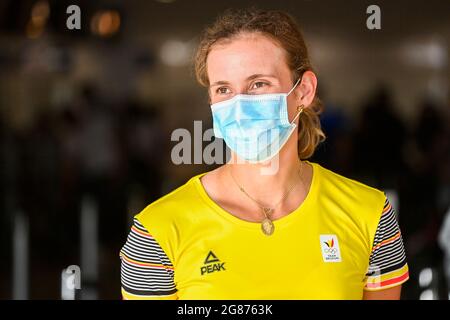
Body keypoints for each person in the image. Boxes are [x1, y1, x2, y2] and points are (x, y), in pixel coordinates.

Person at [120, 8, 409, 300]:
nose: (239, 104)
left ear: (304, 91)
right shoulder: (157, 232)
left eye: (258, 84)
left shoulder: (369, 215)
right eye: (223, 89)